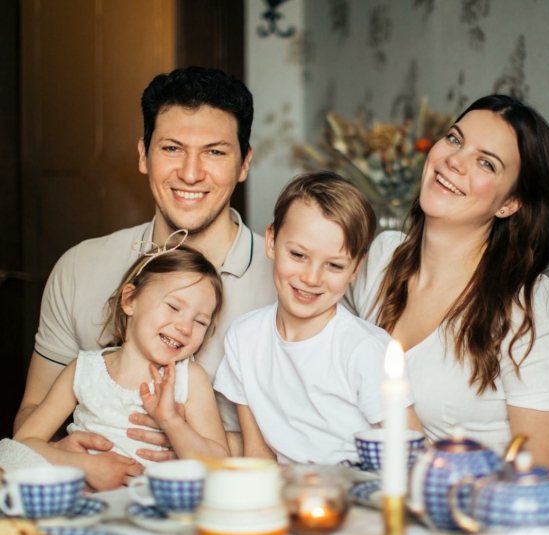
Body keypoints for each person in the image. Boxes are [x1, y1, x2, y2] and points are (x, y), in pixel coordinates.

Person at [12, 67, 275, 486]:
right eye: (172, 148)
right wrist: (61, 455)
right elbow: (32, 414)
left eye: (215, 152)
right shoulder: (79, 266)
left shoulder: (291, 282)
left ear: (244, 164)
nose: (190, 173)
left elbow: (317, 434)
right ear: (142, 154)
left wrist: (185, 439)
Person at [343, 95, 549, 473]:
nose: (454, 160)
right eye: (455, 139)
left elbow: (547, 474)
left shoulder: (527, 306)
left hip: (467, 524)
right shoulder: (381, 258)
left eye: (485, 162)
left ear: (509, 203)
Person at [214, 172, 421, 464]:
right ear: (271, 241)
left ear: (355, 268)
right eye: (298, 255)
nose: (311, 278)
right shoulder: (243, 338)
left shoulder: (365, 350)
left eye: (334, 265)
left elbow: (413, 454)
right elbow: (258, 453)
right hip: (287, 498)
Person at [14, 242, 230, 487]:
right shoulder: (84, 370)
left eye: (200, 322)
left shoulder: (190, 379)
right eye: (173, 307)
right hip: (85, 510)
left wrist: (171, 421)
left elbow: (220, 465)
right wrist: (83, 466)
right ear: (130, 300)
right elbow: (21, 445)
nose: (185, 327)